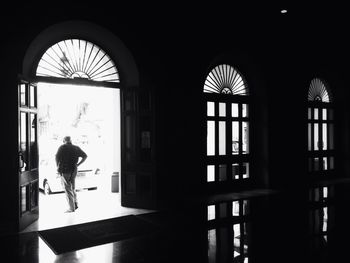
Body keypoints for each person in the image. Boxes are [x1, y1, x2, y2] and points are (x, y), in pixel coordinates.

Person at [55, 136, 87, 213]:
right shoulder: (76, 147)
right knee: (72, 187)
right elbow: (85, 156)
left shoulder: (62, 147)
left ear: (64, 140)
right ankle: (75, 203)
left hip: (65, 169)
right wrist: (78, 164)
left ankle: (71, 208)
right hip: (74, 169)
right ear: (70, 140)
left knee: (67, 188)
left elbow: (56, 157)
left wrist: (58, 167)